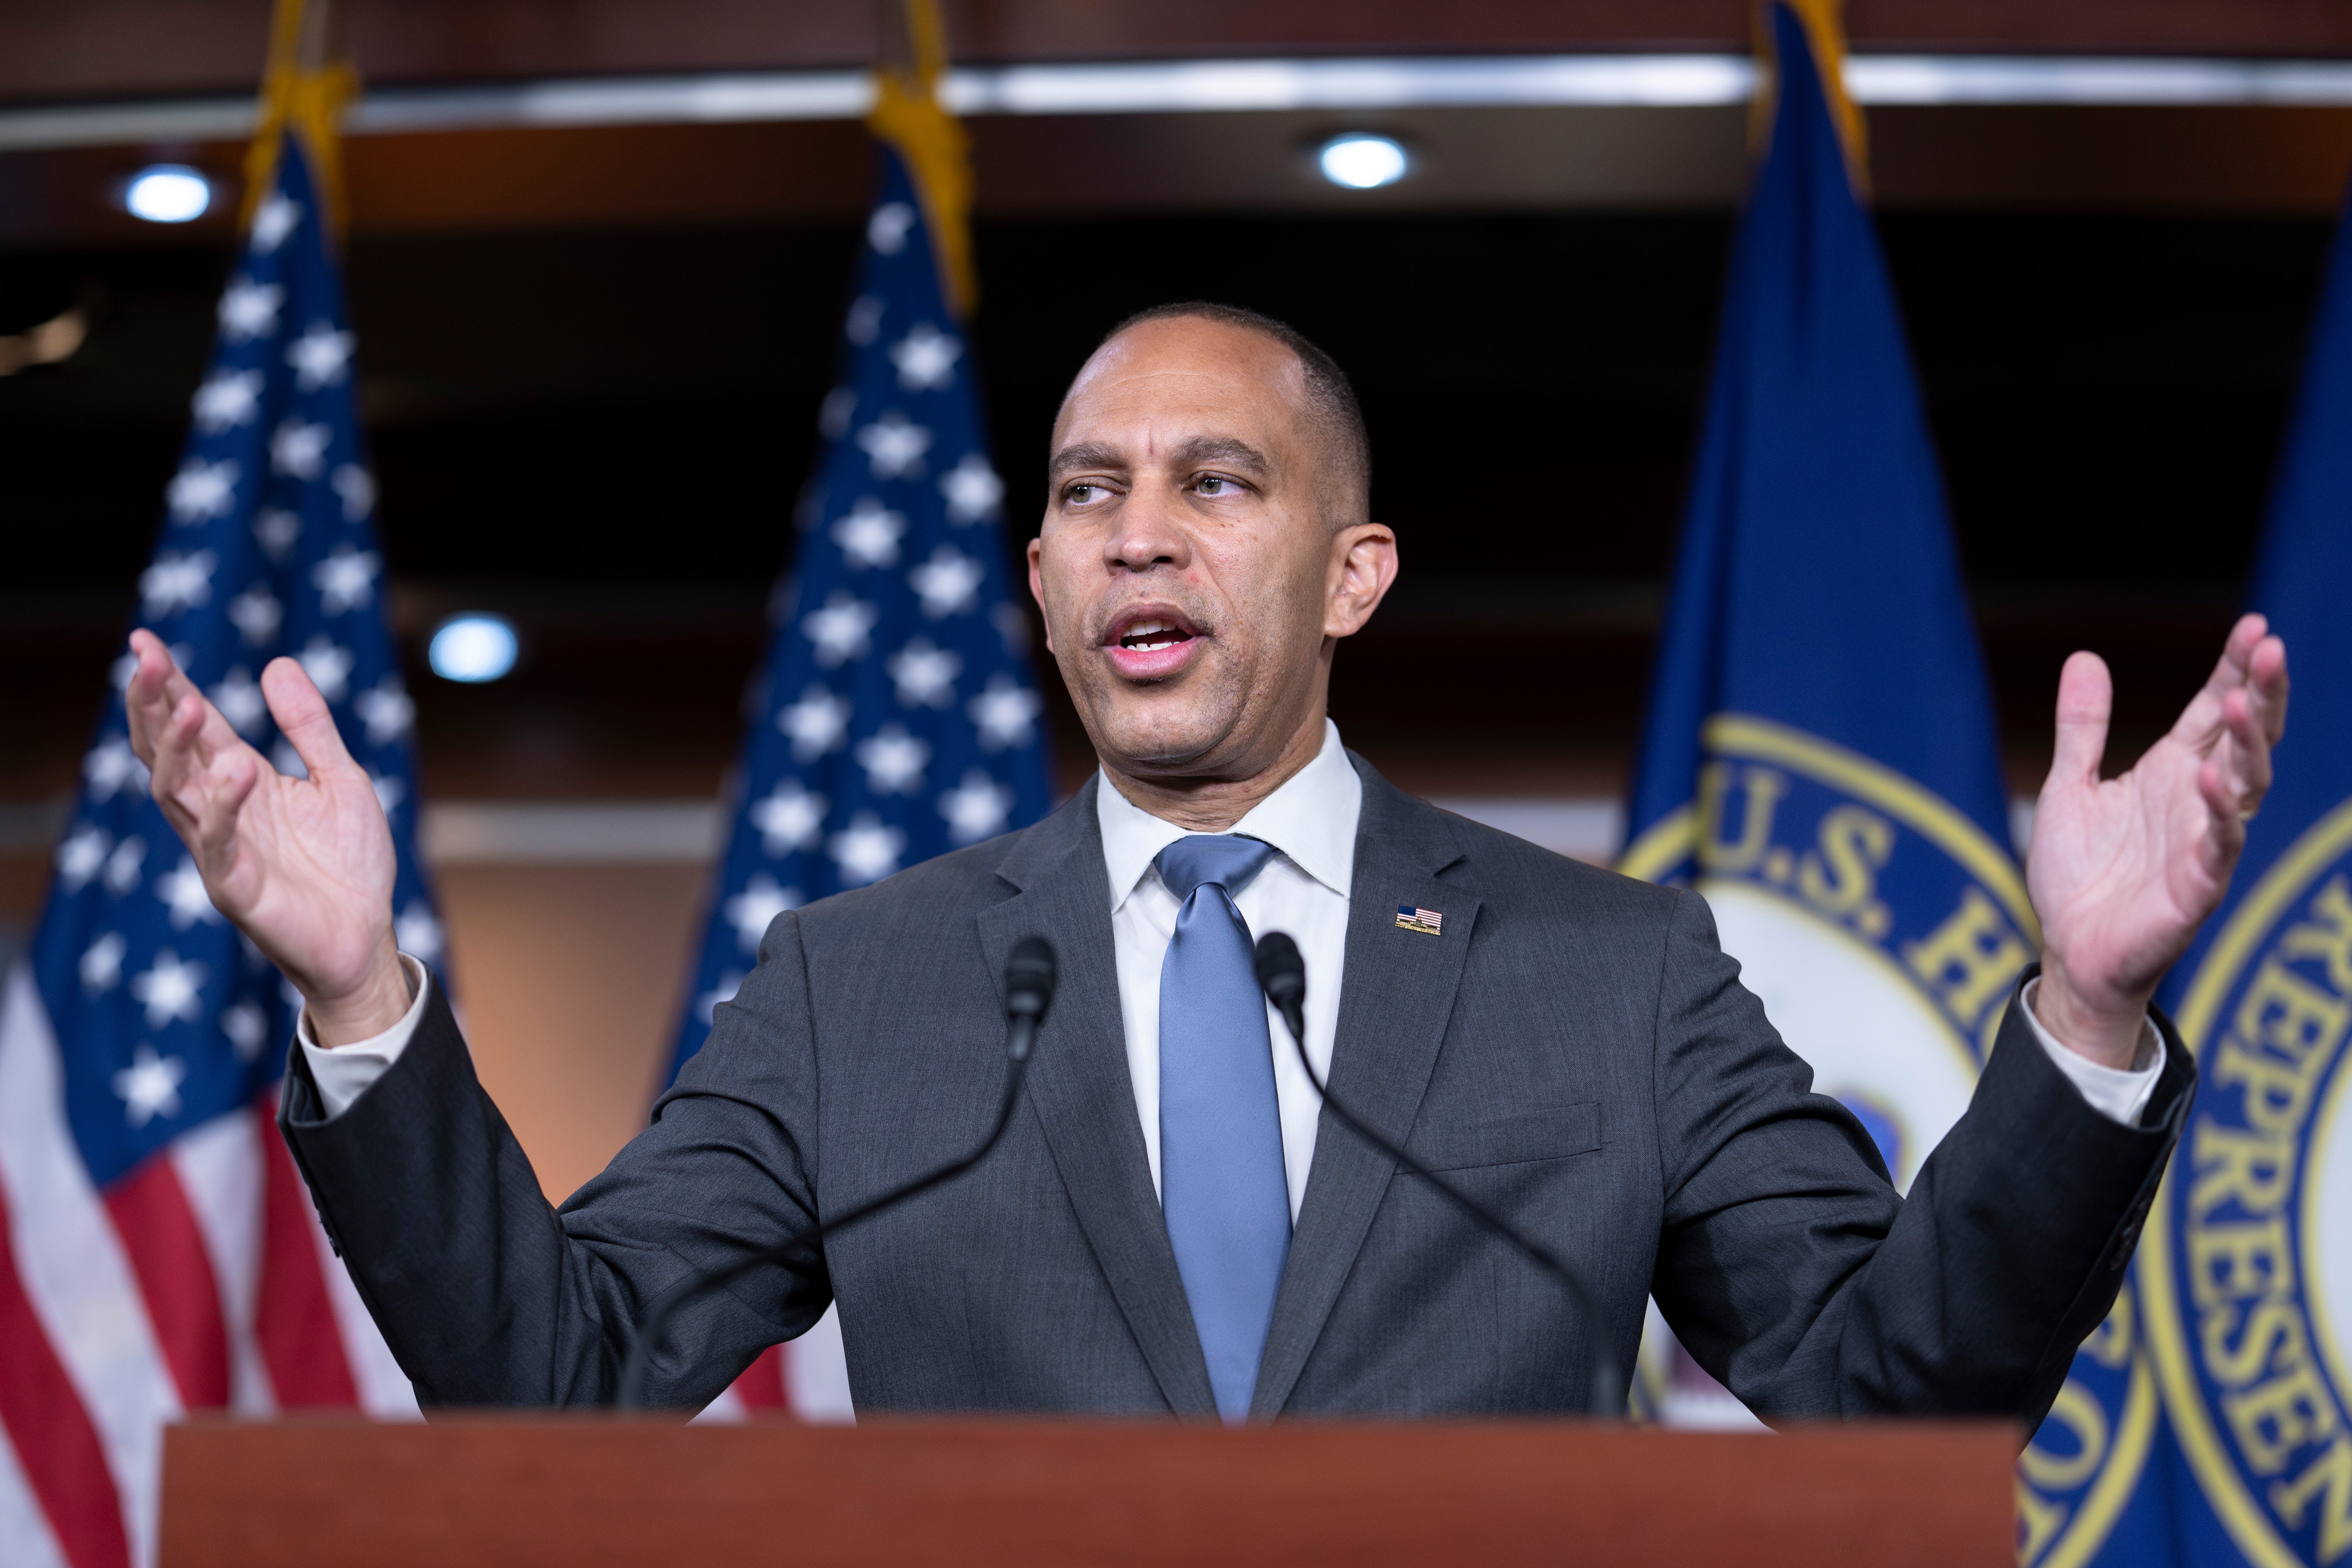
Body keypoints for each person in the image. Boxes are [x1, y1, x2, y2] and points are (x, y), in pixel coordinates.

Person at [124, 302, 2287, 1423]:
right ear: (1044, 581)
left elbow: (1884, 1387)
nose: (1136, 530)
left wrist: (2084, 1012)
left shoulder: (1609, 973)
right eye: (1085, 493)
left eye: (1214, 482)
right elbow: (560, 1378)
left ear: (1350, 575)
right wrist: (357, 997)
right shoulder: (853, 983)